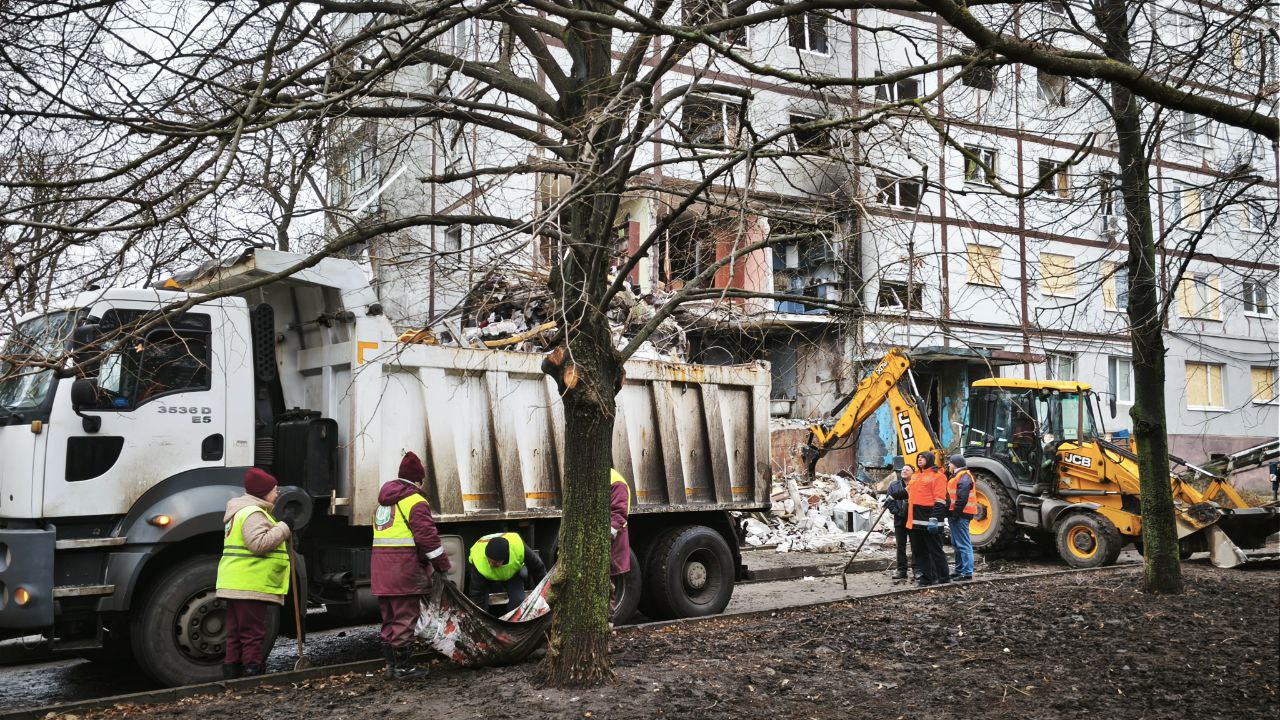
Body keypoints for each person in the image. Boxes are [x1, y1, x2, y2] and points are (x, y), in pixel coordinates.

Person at [371, 452, 451, 681]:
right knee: (405, 619)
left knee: (389, 619)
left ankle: (391, 667)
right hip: (403, 570)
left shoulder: (383, 504)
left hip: (380, 571)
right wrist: (442, 565)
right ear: (418, 481)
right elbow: (428, 538)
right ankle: (404, 669)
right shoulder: (415, 501)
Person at [216, 467, 293, 679]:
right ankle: (252, 675)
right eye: (274, 490)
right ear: (263, 492)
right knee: (252, 633)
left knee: (234, 633)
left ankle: (232, 674)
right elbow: (258, 544)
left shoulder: (238, 512)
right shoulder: (253, 513)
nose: (277, 494)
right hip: (249, 584)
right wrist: (285, 527)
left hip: (234, 583)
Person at [467, 532, 548, 616]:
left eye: (495, 563)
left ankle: (514, 624)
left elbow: (538, 569)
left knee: (518, 600)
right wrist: (478, 618)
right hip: (485, 576)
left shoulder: (519, 548)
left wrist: (544, 595)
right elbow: (476, 595)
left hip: (512, 573)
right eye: (489, 560)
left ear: (504, 558)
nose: (490, 564)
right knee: (481, 603)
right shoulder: (479, 560)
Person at [907, 451, 950, 587]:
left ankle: (943, 577)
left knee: (935, 550)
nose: (919, 459)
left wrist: (935, 518)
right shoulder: (916, 476)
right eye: (918, 457)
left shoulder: (938, 476)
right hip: (915, 520)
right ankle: (927, 578)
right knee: (919, 551)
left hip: (930, 519)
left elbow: (940, 500)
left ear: (930, 459)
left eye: (922, 457)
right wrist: (892, 496)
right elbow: (907, 491)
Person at [947, 454, 977, 581]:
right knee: (956, 543)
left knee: (963, 544)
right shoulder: (958, 476)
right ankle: (959, 570)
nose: (948, 465)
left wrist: (955, 513)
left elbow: (962, 498)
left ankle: (967, 572)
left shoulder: (964, 476)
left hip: (961, 514)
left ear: (955, 464)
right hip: (957, 514)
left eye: (950, 463)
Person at [883, 465, 916, 581]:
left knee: (915, 546)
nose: (904, 471)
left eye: (907, 469)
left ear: (913, 472)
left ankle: (916, 570)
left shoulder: (916, 485)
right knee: (900, 546)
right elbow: (889, 502)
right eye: (902, 469)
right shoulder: (894, 485)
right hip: (900, 519)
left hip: (914, 519)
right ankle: (902, 570)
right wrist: (898, 512)